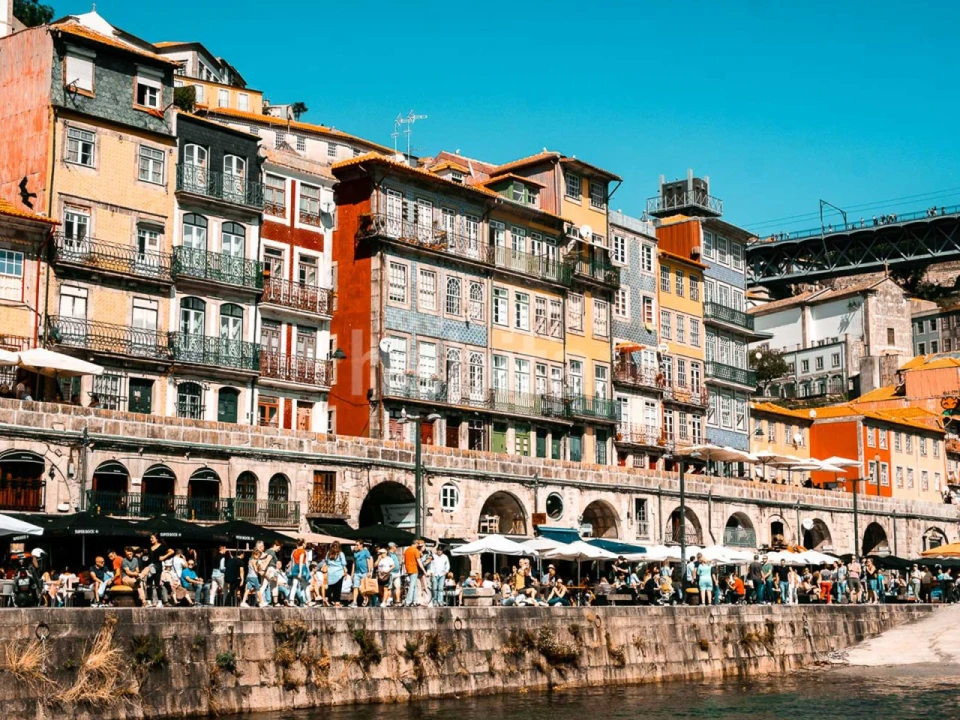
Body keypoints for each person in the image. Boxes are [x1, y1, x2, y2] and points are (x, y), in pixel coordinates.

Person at [321, 541, 347, 607]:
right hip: (339, 572)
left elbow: (326, 561)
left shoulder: (328, 553)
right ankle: (337, 602)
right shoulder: (341, 554)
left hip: (330, 572)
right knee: (338, 588)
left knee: (330, 587)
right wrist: (345, 572)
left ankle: (326, 598)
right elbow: (344, 563)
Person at [402, 538, 425, 607]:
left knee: (414, 585)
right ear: (416, 543)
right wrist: (424, 571)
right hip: (414, 569)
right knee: (412, 586)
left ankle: (414, 601)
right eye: (418, 544)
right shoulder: (415, 550)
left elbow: (404, 561)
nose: (418, 545)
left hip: (408, 569)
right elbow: (419, 562)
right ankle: (408, 601)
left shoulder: (406, 550)